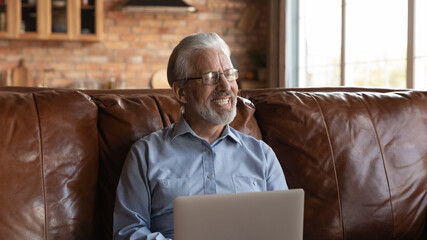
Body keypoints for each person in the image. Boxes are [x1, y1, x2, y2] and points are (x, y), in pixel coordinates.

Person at [113, 32, 288, 240]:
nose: (225, 86)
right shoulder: (145, 154)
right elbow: (128, 232)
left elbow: (284, 231)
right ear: (181, 93)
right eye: (211, 77)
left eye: (229, 74)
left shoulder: (263, 156)